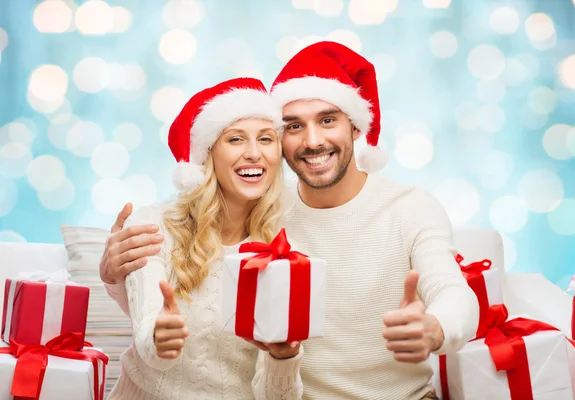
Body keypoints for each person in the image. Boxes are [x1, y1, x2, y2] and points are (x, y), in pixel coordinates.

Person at [102, 42, 479, 400]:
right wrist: (114, 275)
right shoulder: (264, 218)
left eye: (328, 120)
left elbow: (452, 291)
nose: (312, 141)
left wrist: (436, 328)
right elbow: (186, 293)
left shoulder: (409, 207)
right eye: (294, 126)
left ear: (356, 127)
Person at [104, 77, 304, 399]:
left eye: (266, 139)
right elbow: (148, 337)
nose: (254, 153)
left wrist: (284, 356)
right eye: (236, 139)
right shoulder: (155, 225)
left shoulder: (282, 251)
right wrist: (159, 339)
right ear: (208, 154)